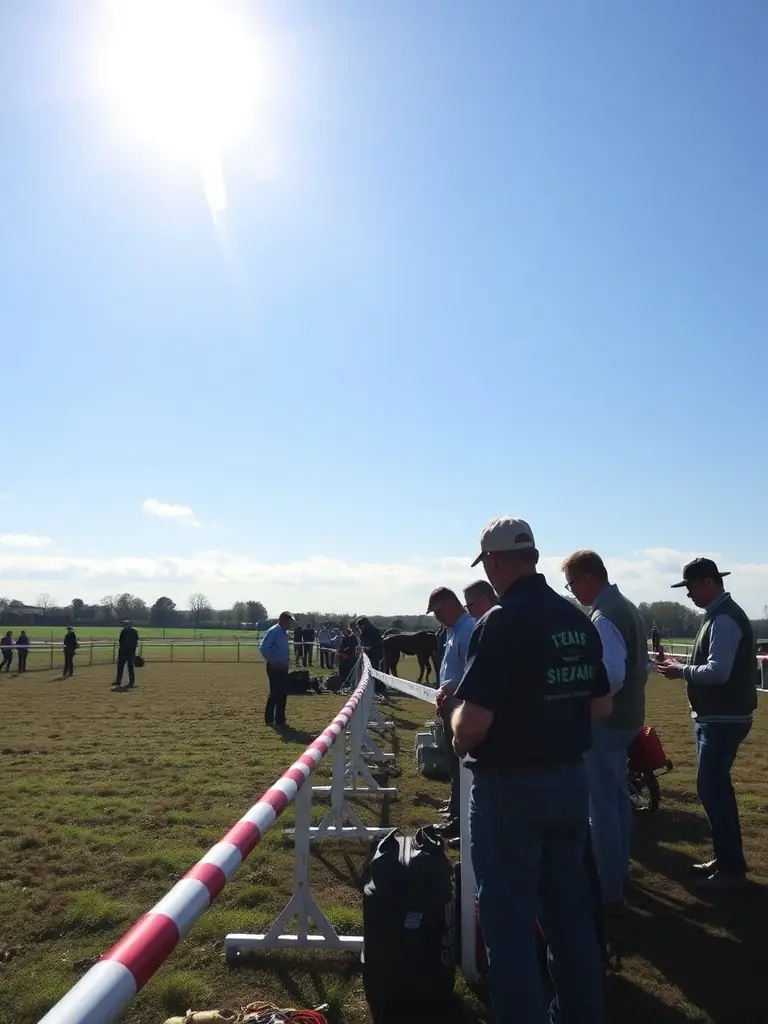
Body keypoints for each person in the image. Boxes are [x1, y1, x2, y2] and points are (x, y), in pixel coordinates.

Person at [452, 515, 612, 1024]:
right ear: (536, 558)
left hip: (508, 791)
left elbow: (474, 721)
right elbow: (602, 706)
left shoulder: (499, 622)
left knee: (508, 926)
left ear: (495, 563)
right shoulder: (577, 619)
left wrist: (456, 724)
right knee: (570, 917)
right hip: (569, 784)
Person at [655, 558, 757, 890]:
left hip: (723, 718)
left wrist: (680, 671)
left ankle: (730, 869)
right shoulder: (718, 615)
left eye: (691, 587)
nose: (689, 595)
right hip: (720, 717)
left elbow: (718, 672)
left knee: (713, 790)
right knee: (715, 790)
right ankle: (727, 859)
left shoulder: (723, 619)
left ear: (709, 583)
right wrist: (682, 665)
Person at [562, 550, 649, 917]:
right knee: (615, 798)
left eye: (571, 584)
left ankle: (608, 886)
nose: (572, 591)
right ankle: (618, 873)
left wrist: (590, 705)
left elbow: (612, 675)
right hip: (627, 718)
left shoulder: (603, 616)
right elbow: (639, 668)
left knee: (601, 805)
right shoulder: (625, 607)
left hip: (608, 723)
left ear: (586, 578)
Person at [428, 586, 476, 842]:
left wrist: (449, 689)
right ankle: (456, 811)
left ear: (449, 605)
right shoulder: (451, 631)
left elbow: (471, 670)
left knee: (463, 764)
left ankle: (461, 821)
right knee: (454, 763)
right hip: (450, 704)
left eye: (437, 611)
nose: (436, 618)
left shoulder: (468, 629)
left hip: (461, 706)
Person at [260, 612, 295, 726]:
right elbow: (264, 648)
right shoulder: (274, 631)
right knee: (275, 693)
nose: (290, 623)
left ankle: (280, 719)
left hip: (282, 667)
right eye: (288, 621)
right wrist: (273, 661)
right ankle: (269, 718)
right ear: (282, 620)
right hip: (275, 667)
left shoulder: (284, 633)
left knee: (283, 693)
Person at [357, 617, 384, 695]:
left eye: (359, 627)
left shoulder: (368, 631)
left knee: (373, 669)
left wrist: (364, 647)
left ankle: (376, 687)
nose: (359, 629)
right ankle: (376, 686)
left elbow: (367, 642)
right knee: (374, 669)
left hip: (373, 653)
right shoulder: (373, 630)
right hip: (375, 652)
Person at [115, 620, 139, 688]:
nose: (125, 626)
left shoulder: (134, 632)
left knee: (130, 667)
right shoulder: (123, 631)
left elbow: (135, 643)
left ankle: (131, 682)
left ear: (130, 625)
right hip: (122, 652)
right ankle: (118, 681)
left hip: (130, 652)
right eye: (125, 624)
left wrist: (134, 653)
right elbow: (120, 642)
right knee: (120, 667)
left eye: (126, 624)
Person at [337, 625, 359, 689]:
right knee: (342, 669)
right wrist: (340, 652)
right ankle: (342, 680)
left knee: (349, 669)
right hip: (343, 657)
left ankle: (349, 681)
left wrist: (345, 652)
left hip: (351, 656)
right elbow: (341, 646)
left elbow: (352, 647)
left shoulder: (353, 638)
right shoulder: (344, 638)